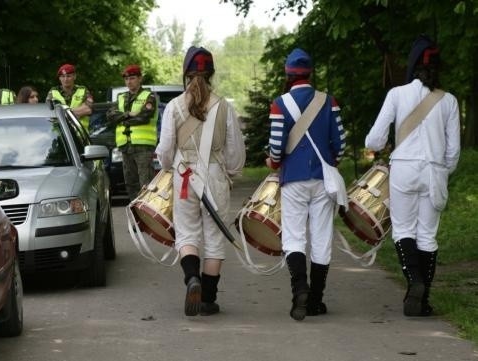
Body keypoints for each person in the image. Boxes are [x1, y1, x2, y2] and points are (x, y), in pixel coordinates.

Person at [365, 35, 460, 317]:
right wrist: (442, 172)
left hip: (403, 169)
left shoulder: (397, 94)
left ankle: (414, 284)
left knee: (404, 230)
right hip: (434, 170)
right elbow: (453, 151)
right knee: (427, 236)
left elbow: (374, 141)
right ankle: (422, 300)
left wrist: (377, 145)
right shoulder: (450, 101)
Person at [156, 46, 245, 316]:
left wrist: (168, 167)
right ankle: (207, 299)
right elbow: (235, 152)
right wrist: (231, 173)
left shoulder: (173, 107)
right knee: (215, 237)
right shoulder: (224, 106)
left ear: (186, 73)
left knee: (187, 234)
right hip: (215, 176)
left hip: (184, 177)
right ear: (211, 73)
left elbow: (164, 150)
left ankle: (191, 278)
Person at [265, 48, 346, 321]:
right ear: (310, 73)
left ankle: (300, 289)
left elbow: (276, 148)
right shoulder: (329, 101)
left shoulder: (279, 103)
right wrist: (329, 160)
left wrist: (272, 163)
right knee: (321, 238)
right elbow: (340, 144)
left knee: (294, 237)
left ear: (288, 75)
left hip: (293, 179)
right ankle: (316, 300)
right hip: (323, 178)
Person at [106, 64, 158, 202]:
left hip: (143, 147)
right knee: (131, 184)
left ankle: (148, 215)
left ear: (140, 79)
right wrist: (129, 114)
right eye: (126, 79)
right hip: (126, 147)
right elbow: (110, 115)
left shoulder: (149, 96)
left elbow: (144, 117)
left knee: (146, 184)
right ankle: (137, 215)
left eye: (132, 78)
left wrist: (121, 118)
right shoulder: (121, 97)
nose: (129, 82)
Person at [46, 64, 93, 131]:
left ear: (74, 77)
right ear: (59, 78)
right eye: (63, 76)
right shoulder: (53, 91)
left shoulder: (83, 90)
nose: (65, 79)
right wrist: (77, 112)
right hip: (61, 136)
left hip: (80, 135)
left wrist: (63, 114)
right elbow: (50, 113)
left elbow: (88, 109)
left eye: (68, 76)